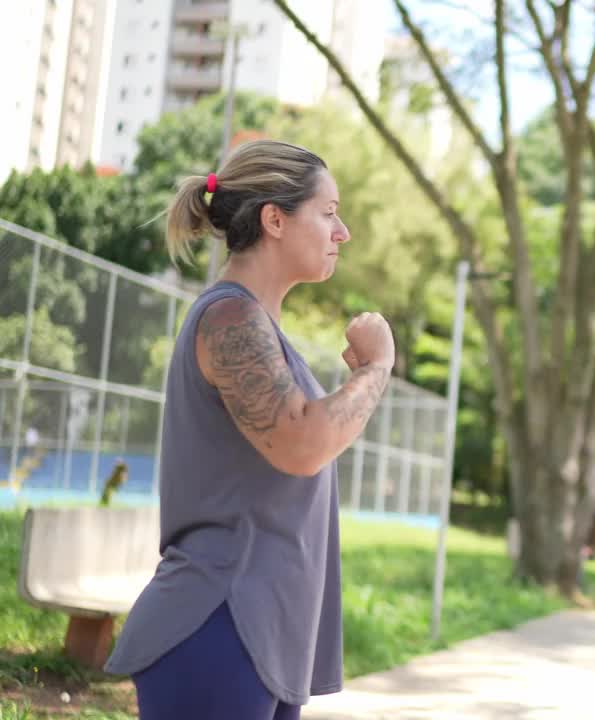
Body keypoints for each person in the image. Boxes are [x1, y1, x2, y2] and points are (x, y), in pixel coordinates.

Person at [104, 139, 396, 720]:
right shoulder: (229, 316)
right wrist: (380, 368)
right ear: (274, 219)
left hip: (263, 632)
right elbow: (303, 444)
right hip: (217, 622)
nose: (343, 232)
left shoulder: (258, 326)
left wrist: (360, 380)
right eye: (329, 211)